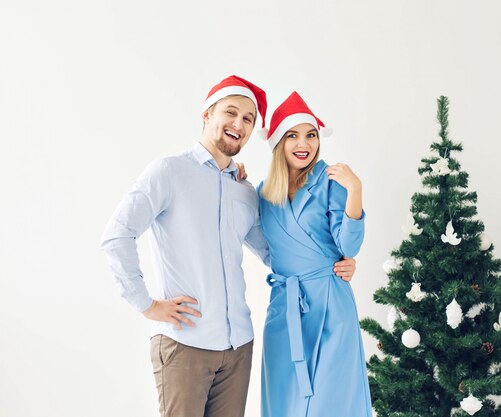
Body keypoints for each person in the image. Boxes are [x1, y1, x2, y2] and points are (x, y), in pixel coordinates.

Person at [100, 76, 356, 417]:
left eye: (248, 119)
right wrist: (146, 304)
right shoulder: (169, 172)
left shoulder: (245, 190)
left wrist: (335, 262)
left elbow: (274, 252)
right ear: (208, 113)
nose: (238, 124)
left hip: (238, 348)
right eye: (231, 112)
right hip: (185, 344)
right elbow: (117, 235)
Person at [257, 92, 373, 417]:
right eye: (293, 135)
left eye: (311, 134)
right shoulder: (263, 194)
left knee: (331, 403)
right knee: (284, 401)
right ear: (279, 141)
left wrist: (356, 189)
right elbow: (260, 244)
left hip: (331, 304)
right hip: (284, 305)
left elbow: (348, 246)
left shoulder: (330, 181)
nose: (303, 143)